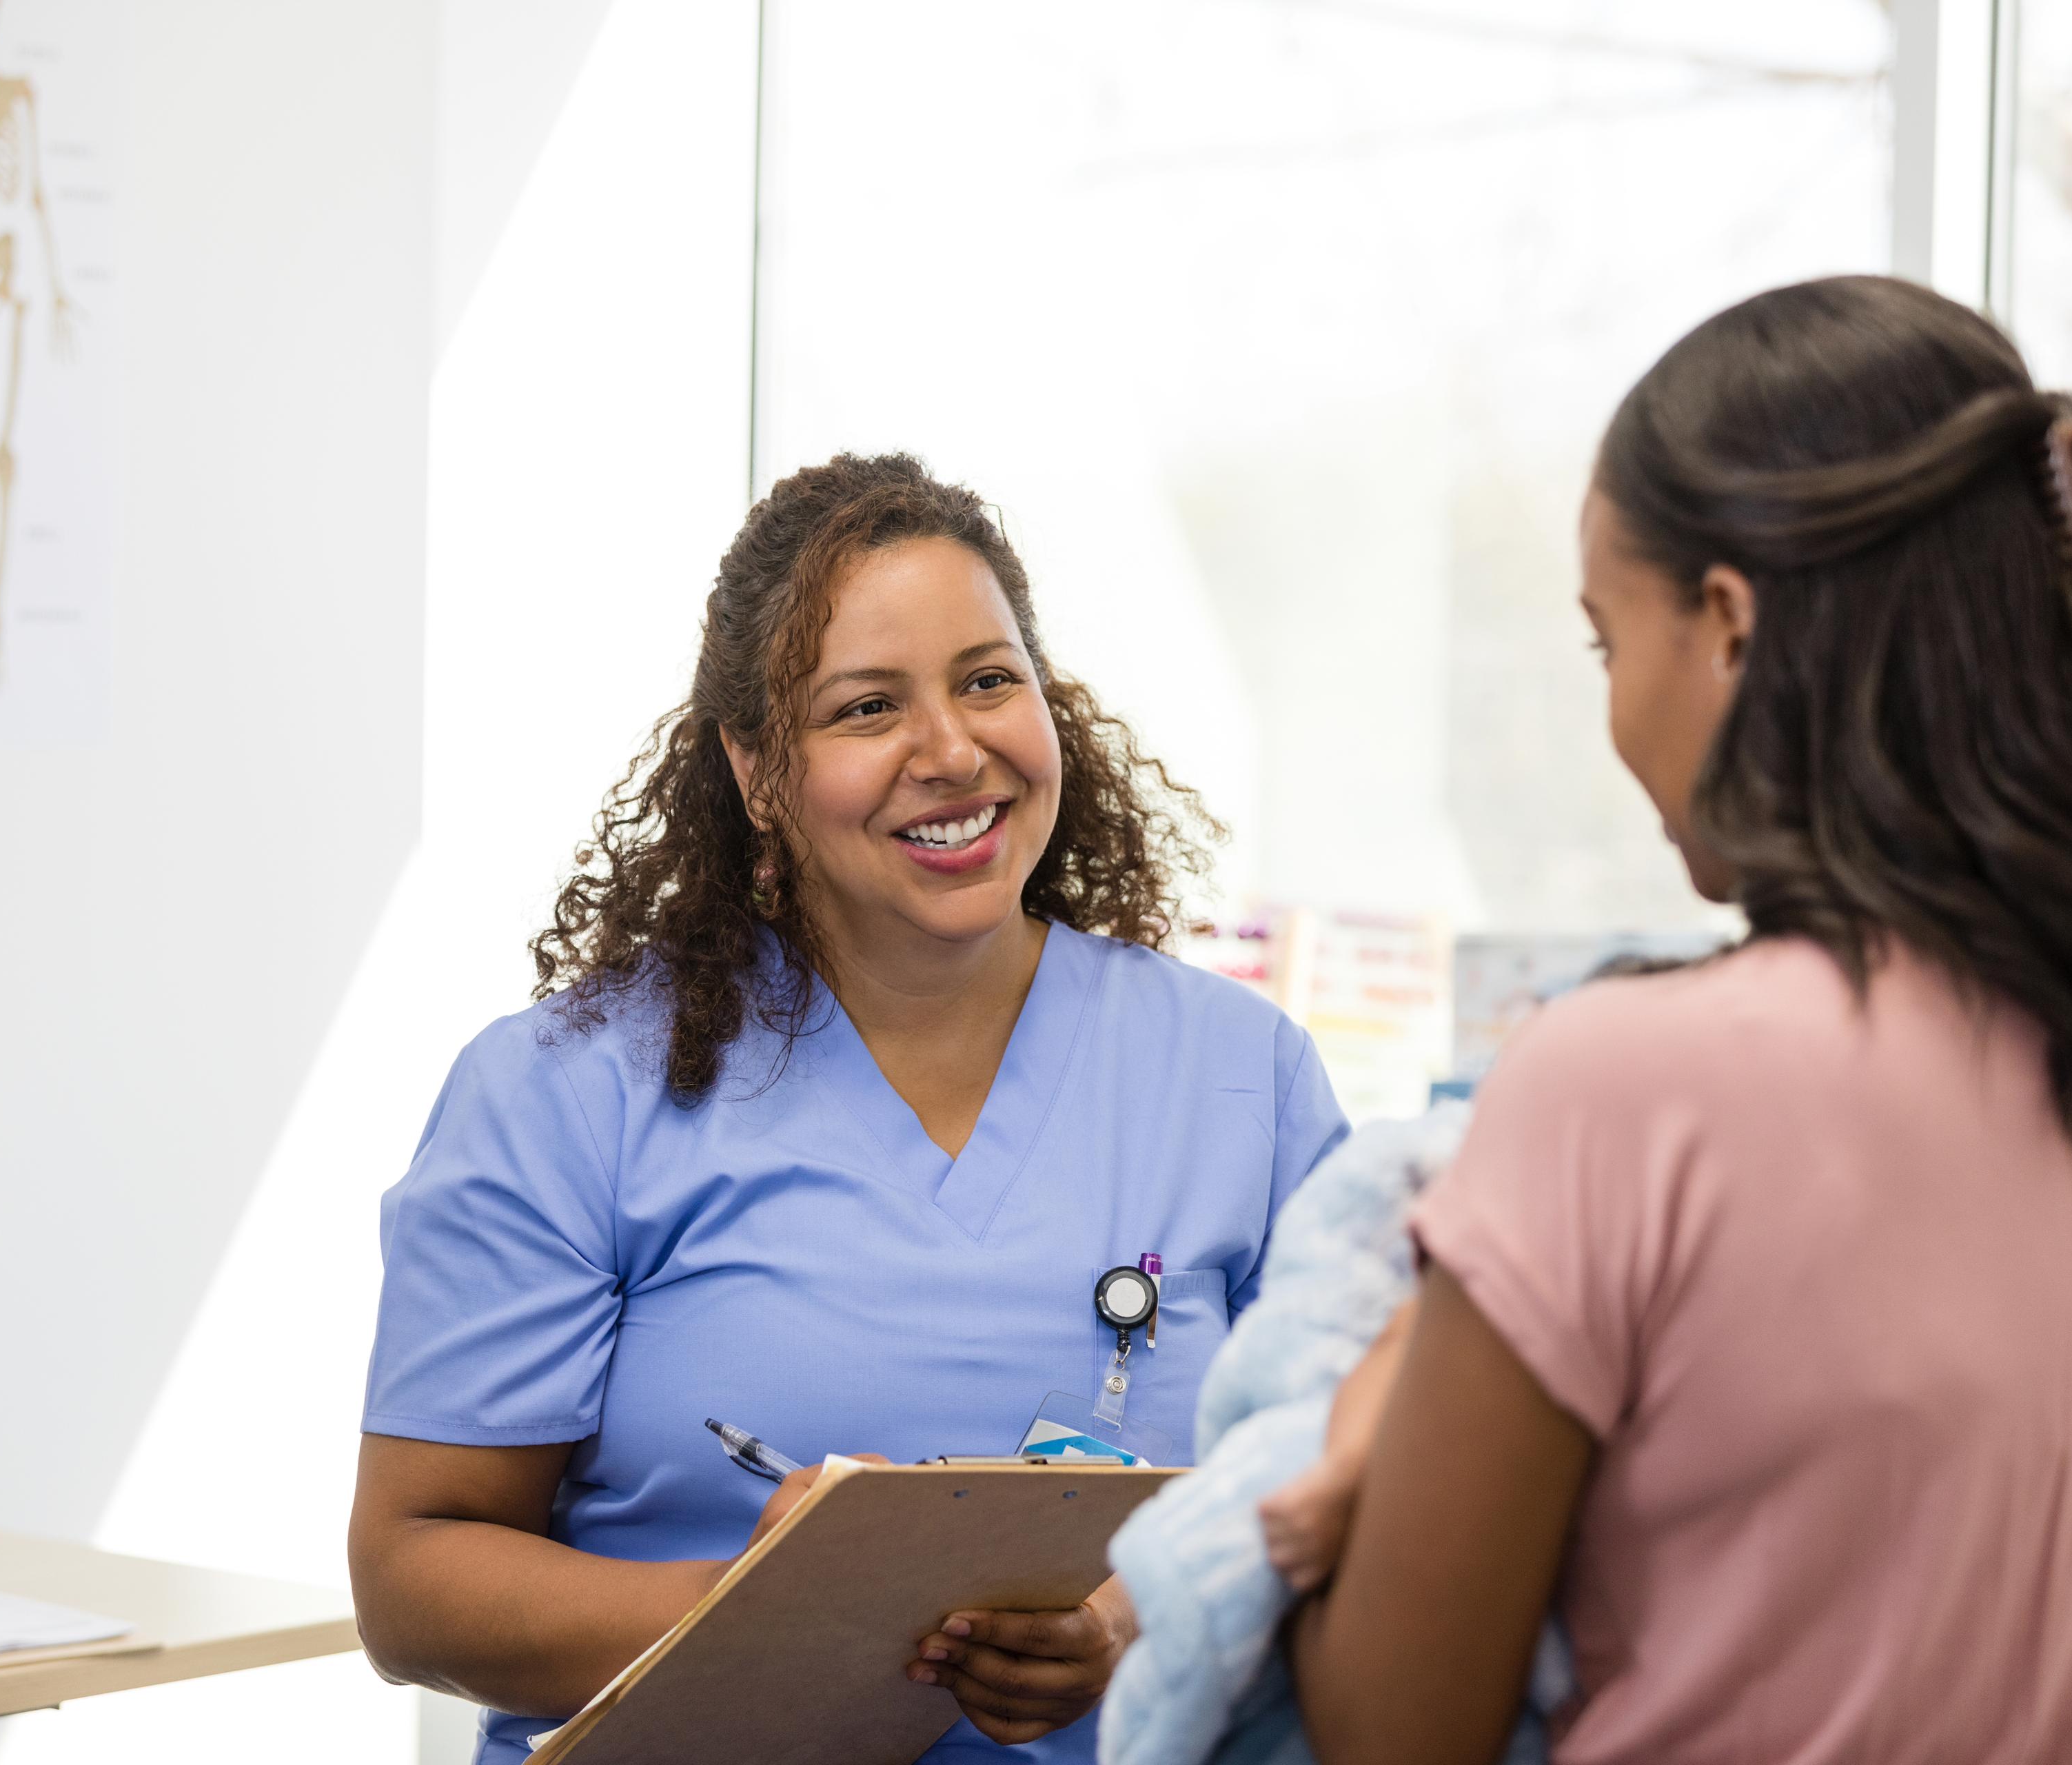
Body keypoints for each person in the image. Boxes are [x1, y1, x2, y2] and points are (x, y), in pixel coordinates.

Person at [1271, 275, 2072, 1764]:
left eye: (1602, 640)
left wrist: (1370, 1397)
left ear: (1726, 624)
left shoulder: (1631, 1089)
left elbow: (1392, 1730)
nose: (1614, 705)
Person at [349, 452, 1348, 1763]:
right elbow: (414, 1581)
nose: (951, 750)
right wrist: (769, 1612)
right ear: (757, 772)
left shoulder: (1240, 1076)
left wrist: (1130, 1625)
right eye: (867, 708)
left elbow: (1347, 1483)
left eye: (990, 680)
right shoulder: (566, 1091)